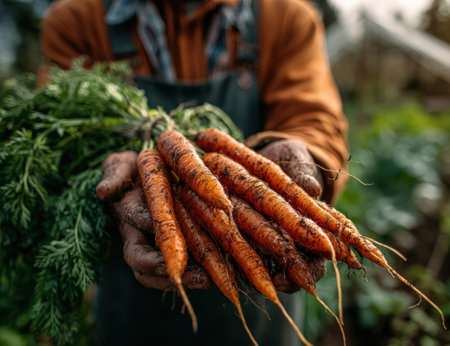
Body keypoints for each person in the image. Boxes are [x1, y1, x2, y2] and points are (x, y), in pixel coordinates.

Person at [38, 0, 349, 345]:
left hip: (261, 296)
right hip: (133, 307)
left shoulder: (285, 16)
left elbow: (314, 121)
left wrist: (300, 164)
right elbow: (58, 143)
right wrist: (108, 175)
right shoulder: (78, 20)